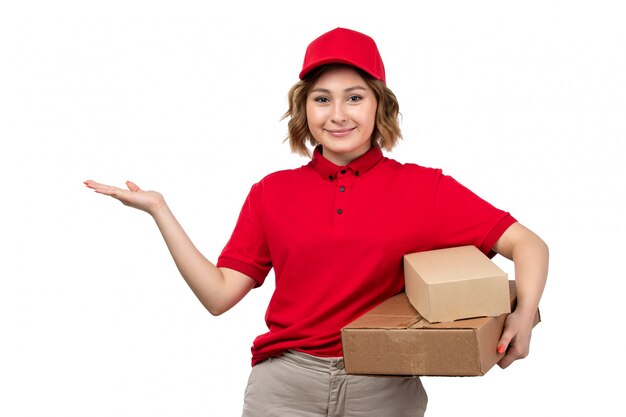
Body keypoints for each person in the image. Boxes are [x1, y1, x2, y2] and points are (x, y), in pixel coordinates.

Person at [84, 27, 548, 417]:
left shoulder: (424, 189)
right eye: (323, 98)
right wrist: (160, 210)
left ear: (379, 106)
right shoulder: (272, 192)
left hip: (384, 387)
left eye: (355, 97)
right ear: (304, 108)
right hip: (283, 388)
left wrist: (522, 319)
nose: (338, 114)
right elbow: (219, 294)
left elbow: (528, 244)